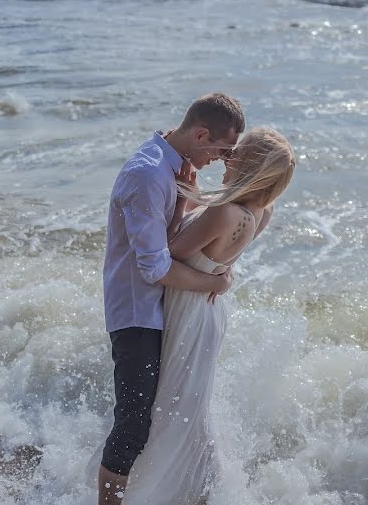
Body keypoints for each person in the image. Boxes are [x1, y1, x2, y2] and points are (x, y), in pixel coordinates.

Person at [120, 126, 297, 504]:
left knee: (171, 408)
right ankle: (208, 491)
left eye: (235, 154)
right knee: (188, 408)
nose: (226, 159)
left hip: (187, 309)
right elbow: (214, 252)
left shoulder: (222, 212)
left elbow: (166, 255)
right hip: (208, 315)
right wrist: (196, 197)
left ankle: (178, 492)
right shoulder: (260, 211)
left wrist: (182, 204)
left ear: (246, 165)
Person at [98, 93, 245, 505]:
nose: (222, 159)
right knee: (132, 425)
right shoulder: (146, 174)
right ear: (201, 133)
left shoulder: (170, 169)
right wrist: (213, 283)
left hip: (161, 310)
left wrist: (183, 201)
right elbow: (155, 268)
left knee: (163, 418)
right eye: (221, 149)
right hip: (136, 313)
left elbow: (163, 244)